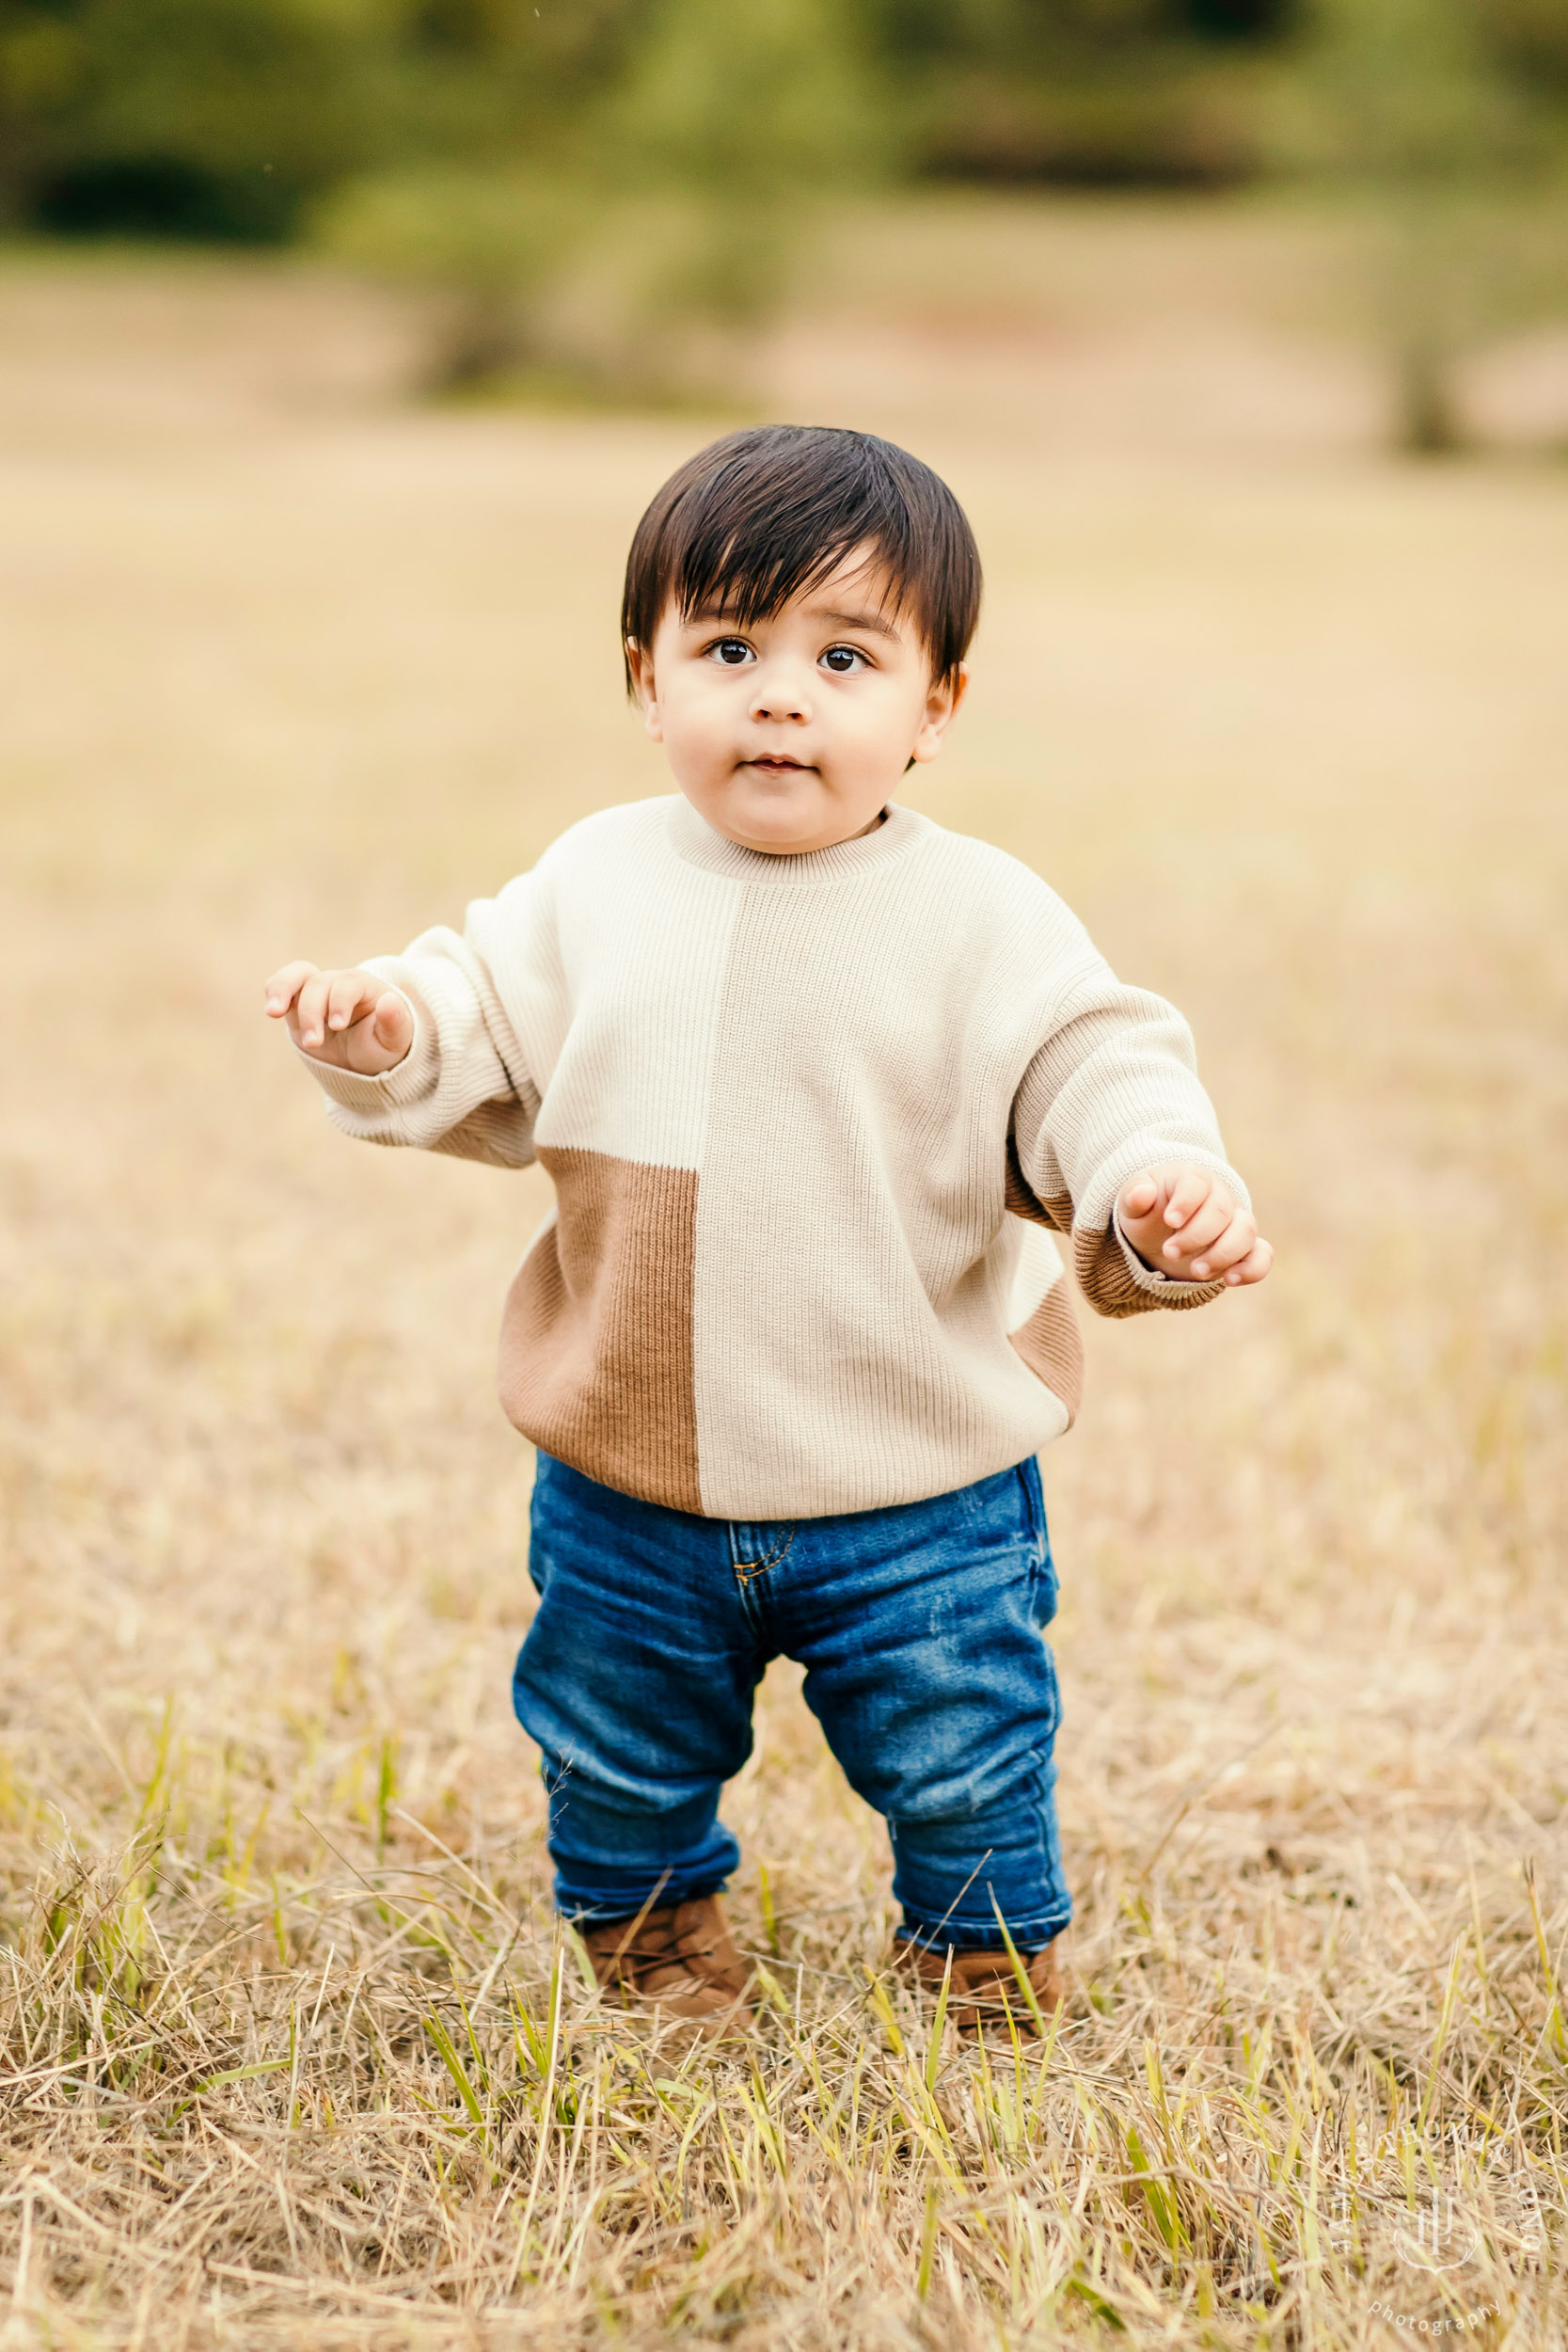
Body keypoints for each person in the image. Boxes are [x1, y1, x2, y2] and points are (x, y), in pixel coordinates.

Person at [264, 426, 1270, 2042]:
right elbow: (474, 1010)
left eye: (843, 655)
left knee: (966, 1747)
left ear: (934, 707)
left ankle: (979, 1955)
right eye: (729, 648)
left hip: (917, 1489)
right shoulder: (594, 883)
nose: (779, 694)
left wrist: (1155, 1181)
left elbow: (1095, 1068)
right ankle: (653, 1931)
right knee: (610, 1736)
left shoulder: (984, 921)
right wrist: (387, 1031)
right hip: (629, 1478)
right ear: (647, 681)